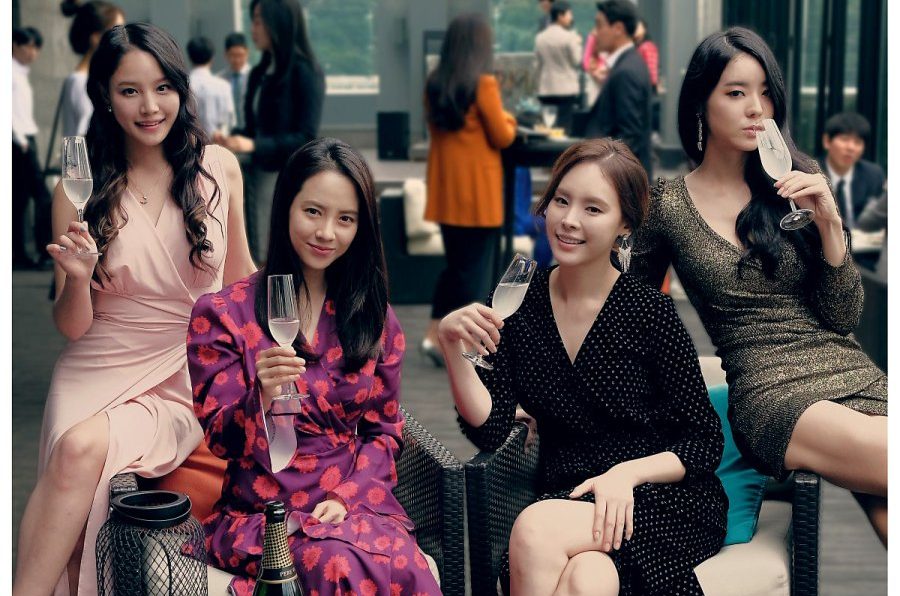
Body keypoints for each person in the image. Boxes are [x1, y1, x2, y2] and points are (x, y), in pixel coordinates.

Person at [13, 23, 256, 596]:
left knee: (80, 450)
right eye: (129, 91)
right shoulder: (78, 188)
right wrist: (77, 281)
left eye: (162, 88)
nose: (150, 107)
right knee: (76, 456)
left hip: (186, 370)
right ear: (104, 97)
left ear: (180, 89)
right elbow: (73, 327)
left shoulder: (220, 168)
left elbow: (242, 282)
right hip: (97, 366)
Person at [632, 27, 887, 545]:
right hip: (771, 392)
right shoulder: (668, 206)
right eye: (736, 92)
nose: (756, 108)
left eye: (766, 92)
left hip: (851, 369)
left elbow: (842, 317)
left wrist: (830, 225)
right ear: (700, 103)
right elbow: (627, 310)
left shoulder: (796, 182)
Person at [440, 138, 727, 595]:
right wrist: (453, 350)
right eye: (561, 201)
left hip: (659, 499)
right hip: (570, 493)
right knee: (588, 578)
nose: (569, 220)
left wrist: (627, 474)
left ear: (624, 224)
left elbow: (704, 441)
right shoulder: (520, 302)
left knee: (534, 531)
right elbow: (492, 429)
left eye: (593, 209)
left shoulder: (649, 312)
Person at [187, 138, 441, 596]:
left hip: (352, 505)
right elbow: (220, 441)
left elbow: (383, 433)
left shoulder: (374, 318)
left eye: (345, 219)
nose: (326, 232)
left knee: (402, 567)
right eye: (312, 212)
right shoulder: (223, 314)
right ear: (286, 206)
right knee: (336, 564)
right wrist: (260, 397)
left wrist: (346, 497)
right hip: (266, 512)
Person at [420, 13, 517, 367]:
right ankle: (467, 348)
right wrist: (511, 119)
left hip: (448, 196)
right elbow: (503, 135)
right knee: (474, 277)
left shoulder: (435, 84)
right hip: (477, 198)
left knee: (455, 269)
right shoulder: (483, 84)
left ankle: (433, 335)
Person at [217, 0, 325, 262]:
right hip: (255, 175)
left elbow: (306, 137)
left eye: (258, 21)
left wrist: (254, 145)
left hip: (284, 178)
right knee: (254, 254)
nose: (253, 29)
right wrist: (233, 139)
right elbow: (255, 128)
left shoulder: (305, 72)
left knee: (274, 256)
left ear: (278, 23)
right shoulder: (259, 73)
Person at [585, 0, 653, 180]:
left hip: (620, 182)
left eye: (599, 25)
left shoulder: (626, 71)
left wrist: (601, 176)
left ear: (618, 28)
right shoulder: (628, 63)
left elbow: (629, 137)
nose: (595, 32)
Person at [12, 26, 52, 270]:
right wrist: (21, 139)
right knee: (42, 196)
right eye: (29, 46)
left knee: (19, 200)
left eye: (37, 48)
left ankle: (19, 255)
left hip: (24, 140)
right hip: (20, 142)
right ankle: (45, 251)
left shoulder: (19, 73)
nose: (33, 52)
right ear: (15, 45)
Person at [59, 0, 125, 137]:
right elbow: (82, 135)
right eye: (116, 32)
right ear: (96, 38)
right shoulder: (81, 81)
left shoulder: (93, 78)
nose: (123, 39)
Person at [818, 112, 886, 229]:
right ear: (827, 141)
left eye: (858, 142)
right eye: (844, 139)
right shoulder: (811, 172)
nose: (851, 148)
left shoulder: (874, 175)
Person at [534, 1, 582, 135]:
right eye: (569, 14)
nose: (571, 18)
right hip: (566, 89)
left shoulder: (540, 37)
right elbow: (577, 60)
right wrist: (578, 43)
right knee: (564, 129)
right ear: (560, 16)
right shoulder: (570, 37)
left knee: (548, 128)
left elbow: (537, 65)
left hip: (546, 89)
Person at [187, 35, 236, 137]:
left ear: (190, 57)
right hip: (219, 141)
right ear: (212, 58)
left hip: (190, 141)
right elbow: (231, 121)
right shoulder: (223, 86)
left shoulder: (184, 85)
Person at [217, 32, 251, 131]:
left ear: (247, 53)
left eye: (241, 55)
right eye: (233, 55)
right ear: (226, 54)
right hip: (229, 132)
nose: (237, 60)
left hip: (251, 131)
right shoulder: (220, 79)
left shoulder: (255, 76)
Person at [633, 19, 659, 92]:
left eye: (638, 27)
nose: (635, 29)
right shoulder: (638, 45)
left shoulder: (647, 46)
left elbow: (650, 69)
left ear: (644, 29)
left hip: (645, 85)